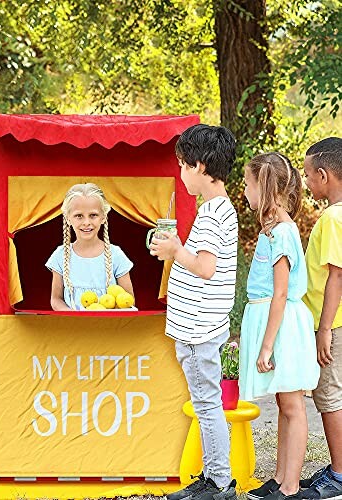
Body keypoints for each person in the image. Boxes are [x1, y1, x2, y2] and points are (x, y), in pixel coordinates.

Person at [149, 124, 238, 500]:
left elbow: (205, 267)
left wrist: (174, 251)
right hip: (197, 327)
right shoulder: (214, 211)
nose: (181, 173)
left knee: (206, 404)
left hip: (199, 329)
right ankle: (211, 475)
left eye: (183, 165)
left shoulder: (214, 214)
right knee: (204, 403)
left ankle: (219, 482)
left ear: (200, 166)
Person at [240, 153, 320, 500]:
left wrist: (268, 345)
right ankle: (279, 477)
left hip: (282, 329)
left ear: (266, 187)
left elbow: (281, 291)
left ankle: (290, 485)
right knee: (283, 400)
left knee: (292, 404)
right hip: (274, 324)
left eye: (247, 184)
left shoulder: (283, 233)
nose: (244, 191)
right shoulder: (272, 231)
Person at [300, 137, 342, 500]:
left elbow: (336, 275)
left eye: (308, 174)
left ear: (324, 175)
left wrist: (324, 328)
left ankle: (340, 475)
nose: (306, 182)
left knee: (329, 395)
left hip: (333, 322)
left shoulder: (332, 217)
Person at [46, 182, 134, 311]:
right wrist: (75, 317)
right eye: (79, 216)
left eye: (93, 215)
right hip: (73, 328)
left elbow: (128, 299)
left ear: (103, 217)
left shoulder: (116, 254)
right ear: (68, 218)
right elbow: (56, 299)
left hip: (110, 328)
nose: (86, 222)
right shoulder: (60, 255)